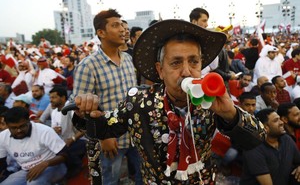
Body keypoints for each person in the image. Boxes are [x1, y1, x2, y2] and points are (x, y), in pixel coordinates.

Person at [72, 19, 264, 184]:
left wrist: (230, 114)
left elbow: (257, 139)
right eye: (176, 63)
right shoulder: (138, 102)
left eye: (194, 62)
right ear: (160, 70)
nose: (187, 71)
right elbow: (102, 128)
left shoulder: (211, 101)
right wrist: (87, 113)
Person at [72, 9, 142, 185]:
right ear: (101, 33)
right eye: (115, 25)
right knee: (109, 181)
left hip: (135, 134)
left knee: (144, 177)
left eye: (122, 25)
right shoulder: (88, 66)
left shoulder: (127, 59)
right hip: (110, 142)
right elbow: (81, 110)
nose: (123, 30)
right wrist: (103, 136)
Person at [0, 107, 67, 185]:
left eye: (22, 126)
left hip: (53, 166)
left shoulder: (44, 131)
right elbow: (1, 162)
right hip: (26, 170)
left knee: (33, 183)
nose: (19, 130)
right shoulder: (2, 137)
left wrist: (45, 163)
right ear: (7, 125)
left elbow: (65, 155)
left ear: (28, 121)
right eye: (14, 128)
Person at [240, 108, 300, 185]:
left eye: (280, 119)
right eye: (276, 120)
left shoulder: (286, 139)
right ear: (265, 128)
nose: (282, 122)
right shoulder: (253, 148)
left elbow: (298, 161)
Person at [49, 87, 86, 178]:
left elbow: (85, 129)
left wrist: (72, 139)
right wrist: (54, 130)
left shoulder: (71, 109)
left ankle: (77, 167)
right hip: (63, 140)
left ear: (63, 97)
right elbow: (53, 128)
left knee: (66, 150)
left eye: (54, 97)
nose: (51, 100)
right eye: (50, 98)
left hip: (81, 140)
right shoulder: (54, 112)